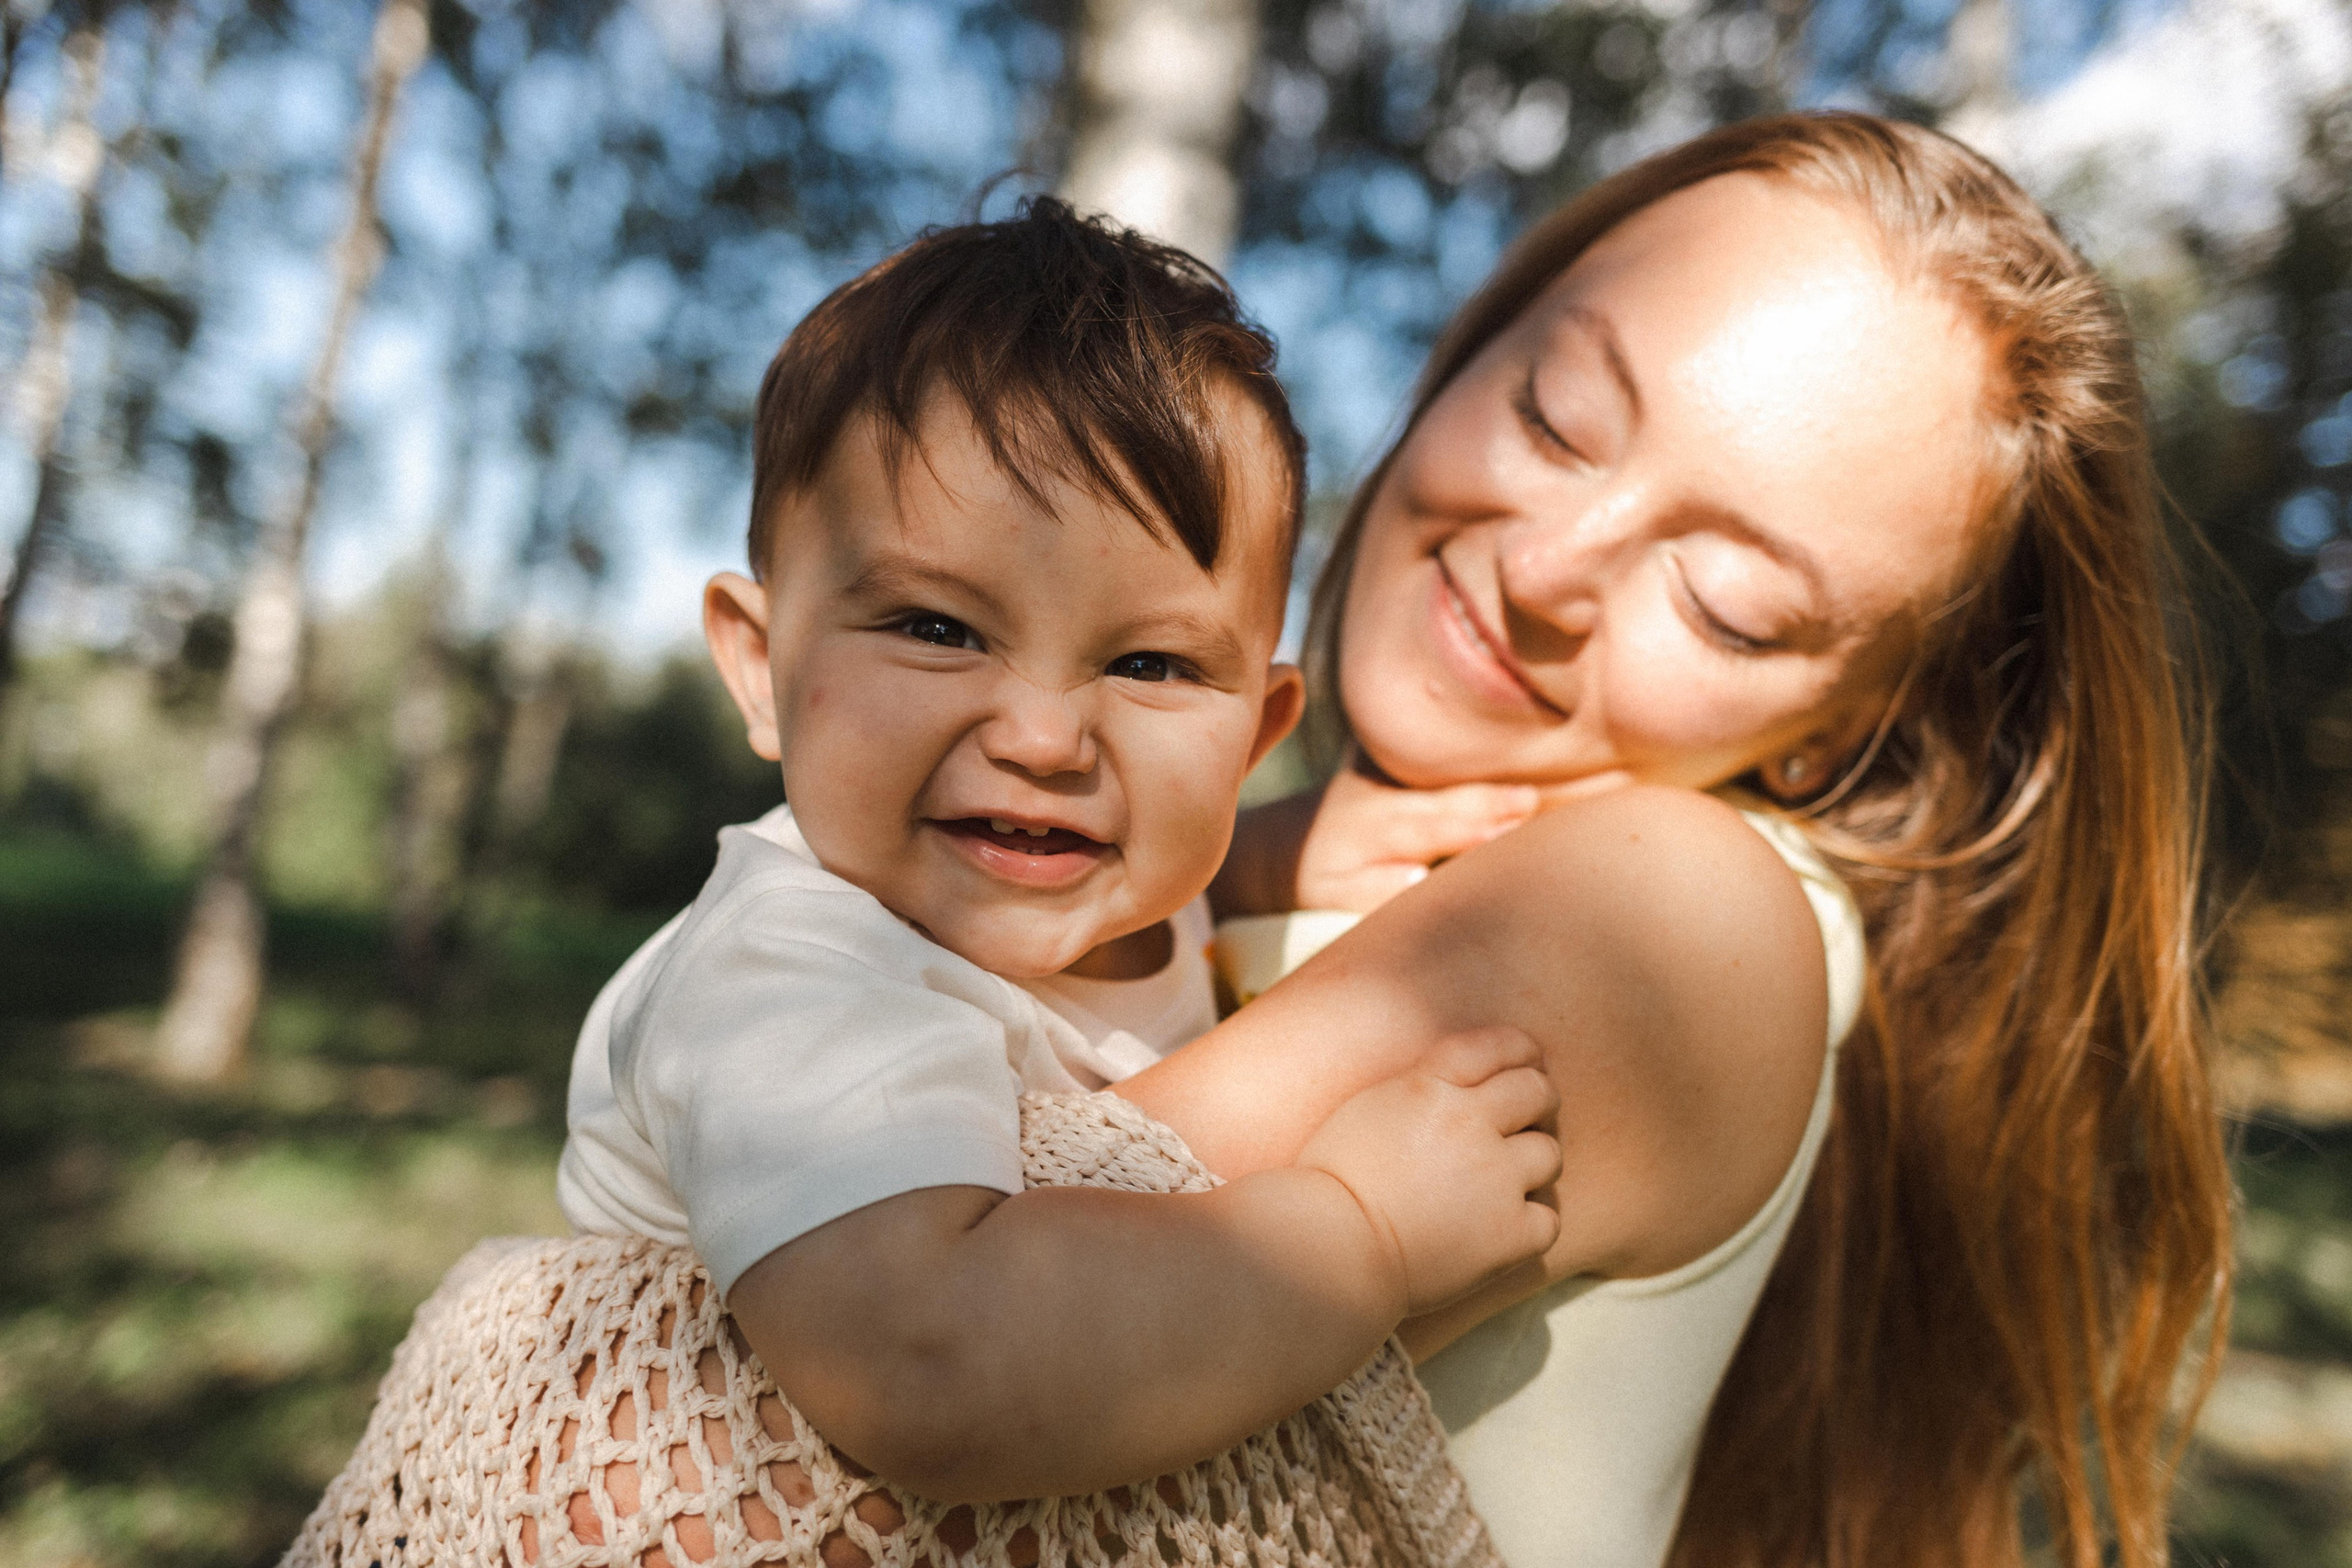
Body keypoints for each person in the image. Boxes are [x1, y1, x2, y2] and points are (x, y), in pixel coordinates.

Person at [287, 112, 2232, 1568]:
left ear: (1852, 726)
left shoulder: (1660, 911)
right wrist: (1261, 857)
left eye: (1724, 600)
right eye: (1555, 414)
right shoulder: (1191, 852)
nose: (1544, 567)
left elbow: (769, 1443)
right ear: (1473, 340)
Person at [554, 198, 1565, 1504]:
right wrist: (1361, 1232)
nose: (1042, 738)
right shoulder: (788, 974)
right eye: (935, 629)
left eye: (1149, 664)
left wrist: (1299, 847)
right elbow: (933, 1372)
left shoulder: (1115, 889)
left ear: (1255, 736)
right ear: (762, 665)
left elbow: (1179, 883)